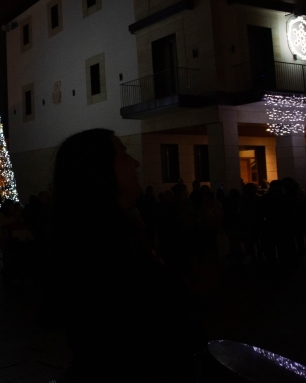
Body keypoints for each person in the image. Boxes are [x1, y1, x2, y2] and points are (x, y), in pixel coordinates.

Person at [51, 128, 203, 381]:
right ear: (98, 171)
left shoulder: (120, 230)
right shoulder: (99, 251)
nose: (135, 163)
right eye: (123, 156)